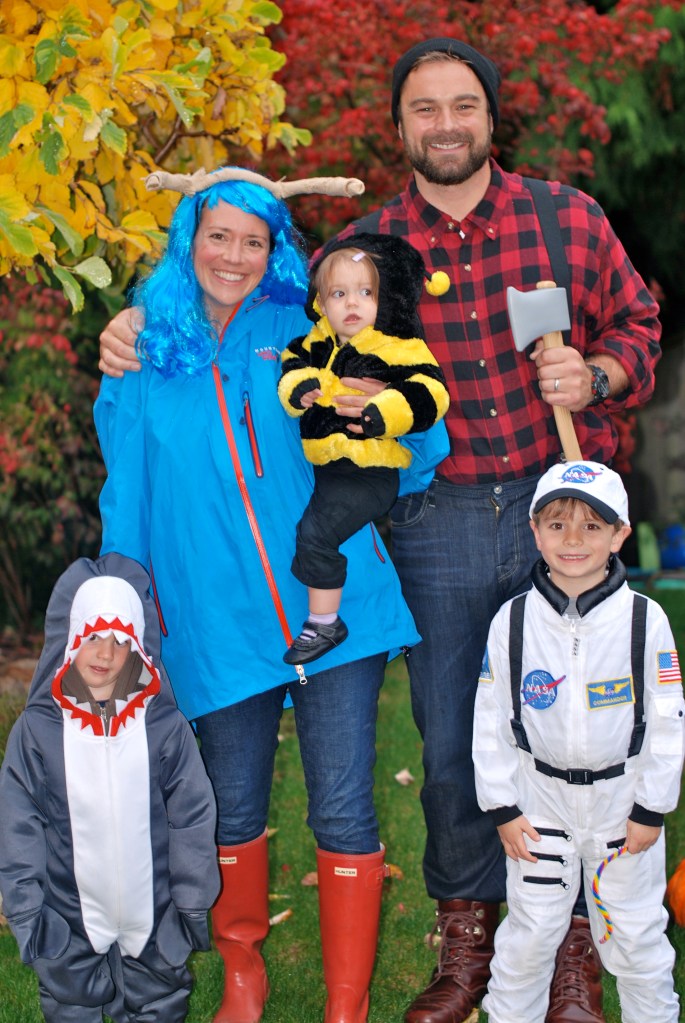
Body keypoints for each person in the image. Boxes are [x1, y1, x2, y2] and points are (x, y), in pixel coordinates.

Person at [97, 41, 662, 1023]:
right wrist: (131, 330)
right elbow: (162, 465)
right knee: (449, 744)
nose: (445, 124)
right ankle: (465, 938)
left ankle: (568, 946)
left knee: (571, 724)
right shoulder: (354, 257)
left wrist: (596, 374)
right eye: (423, 109)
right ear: (398, 126)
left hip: (548, 511)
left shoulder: (558, 221)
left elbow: (634, 326)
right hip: (414, 532)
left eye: (462, 105)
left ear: (490, 115)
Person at [93, 167, 449, 1023]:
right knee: (231, 805)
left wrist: (394, 416)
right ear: (189, 241)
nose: (234, 255)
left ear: (274, 251)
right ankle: (242, 978)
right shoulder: (143, 349)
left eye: (254, 241)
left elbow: (419, 452)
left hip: (333, 603)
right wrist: (127, 599)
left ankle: (344, 1006)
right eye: (218, 236)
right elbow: (126, 488)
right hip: (211, 615)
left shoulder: (307, 327)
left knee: (343, 803)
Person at [472, 460, 684, 1023]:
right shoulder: (513, 621)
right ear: (535, 531)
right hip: (539, 807)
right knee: (529, 935)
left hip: (623, 808)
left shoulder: (644, 620)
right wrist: (502, 805)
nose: (572, 540)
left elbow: (669, 720)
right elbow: (490, 719)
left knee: (636, 938)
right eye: (557, 524)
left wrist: (651, 808)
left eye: (592, 526)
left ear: (619, 535)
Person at [0, 553, 220, 1023]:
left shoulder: (164, 728)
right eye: (94, 636)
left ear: (139, 647)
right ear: (70, 639)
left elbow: (193, 815)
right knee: (70, 1003)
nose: (105, 654)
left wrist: (191, 900)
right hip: (67, 915)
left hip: (153, 913)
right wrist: (26, 909)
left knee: (159, 1002)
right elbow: (17, 822)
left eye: (120, 641)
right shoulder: (37, 732)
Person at [278, 232, 450, 664]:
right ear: (321, 303)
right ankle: (320, 612)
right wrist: (299, 389)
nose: (352, 303)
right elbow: (291, 366)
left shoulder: (395, 347)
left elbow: (430, 391)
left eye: (365, 293)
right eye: (339, 294)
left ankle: (324, 622)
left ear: (381, 299)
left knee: (316, 533)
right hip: (331, 465)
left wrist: (383, 412)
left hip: (371, 469)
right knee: (312, 532)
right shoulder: (317, 343)